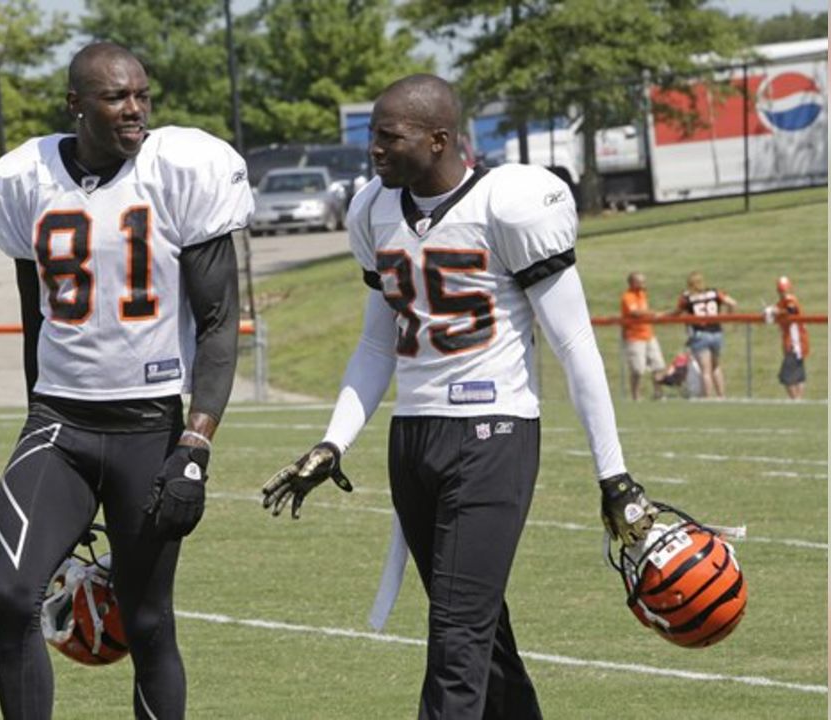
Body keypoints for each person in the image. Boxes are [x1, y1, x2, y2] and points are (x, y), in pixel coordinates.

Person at [260, 74, 657, 720]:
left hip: (492, 435)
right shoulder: (374, 211)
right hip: (412, 438)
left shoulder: (509, 204)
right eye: (373, 137)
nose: (374, 151)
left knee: (456, 642)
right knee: (479, 635)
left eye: (389, 137)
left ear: (439, 139)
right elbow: (375, 347)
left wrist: (614, 475)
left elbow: (576, 345)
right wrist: (333, 441)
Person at [0, 42, 252, 720]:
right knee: (10, 596)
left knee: (149, 621)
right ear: (76, 103)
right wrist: (33, 413)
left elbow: (219, 321)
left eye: (142, 96)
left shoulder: (181, 170)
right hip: (59, 427)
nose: (135, 110)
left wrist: (195, 443)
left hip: (150, 428)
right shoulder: (24, 179)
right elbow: (33, 316)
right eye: (116, 97)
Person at [672, 271, 737, 398]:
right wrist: (730, 317)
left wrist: (662, 315)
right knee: (716, 367)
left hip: (700, 334)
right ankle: (721, 396)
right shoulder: (714, 292)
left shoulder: (687, 298)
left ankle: (708, 398)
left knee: (705, 370)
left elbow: (676, 313)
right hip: (717, 332)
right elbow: (733, 303)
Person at [620, 271, 664, 400]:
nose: (644, 284)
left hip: (649, 335)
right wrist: (653, 313)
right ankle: (636, 396)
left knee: (658, 365)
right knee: (638, 369)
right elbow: (636, 313)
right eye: (641, 281)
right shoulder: (627, 296)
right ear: (633, 283)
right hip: (635, 337)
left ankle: (658, 394)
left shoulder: (642, 294)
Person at [768, 275, 810, 399]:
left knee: (786, 376)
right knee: (798, 375)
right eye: (780, 290)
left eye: (784, 290)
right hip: (791, 341)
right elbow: (777, 313)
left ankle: (796, 400)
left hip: (795, 343)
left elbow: (791, 310)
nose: (782, 292)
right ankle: (799, 401)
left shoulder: (790, 300)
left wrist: (776, 311)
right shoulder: (781, 303)